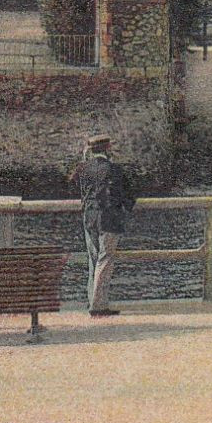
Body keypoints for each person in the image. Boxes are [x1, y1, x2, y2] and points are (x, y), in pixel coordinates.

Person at [71, 133, 136, 317]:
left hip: (89, 218)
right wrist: (127, 207)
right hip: (109, 219)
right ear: (107, 149)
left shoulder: (82, 169)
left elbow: (76, 187)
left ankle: (92, 300)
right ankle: (98, 306)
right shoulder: (114, 169)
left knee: (93, 259)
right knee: (105, 260)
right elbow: (127, 195)